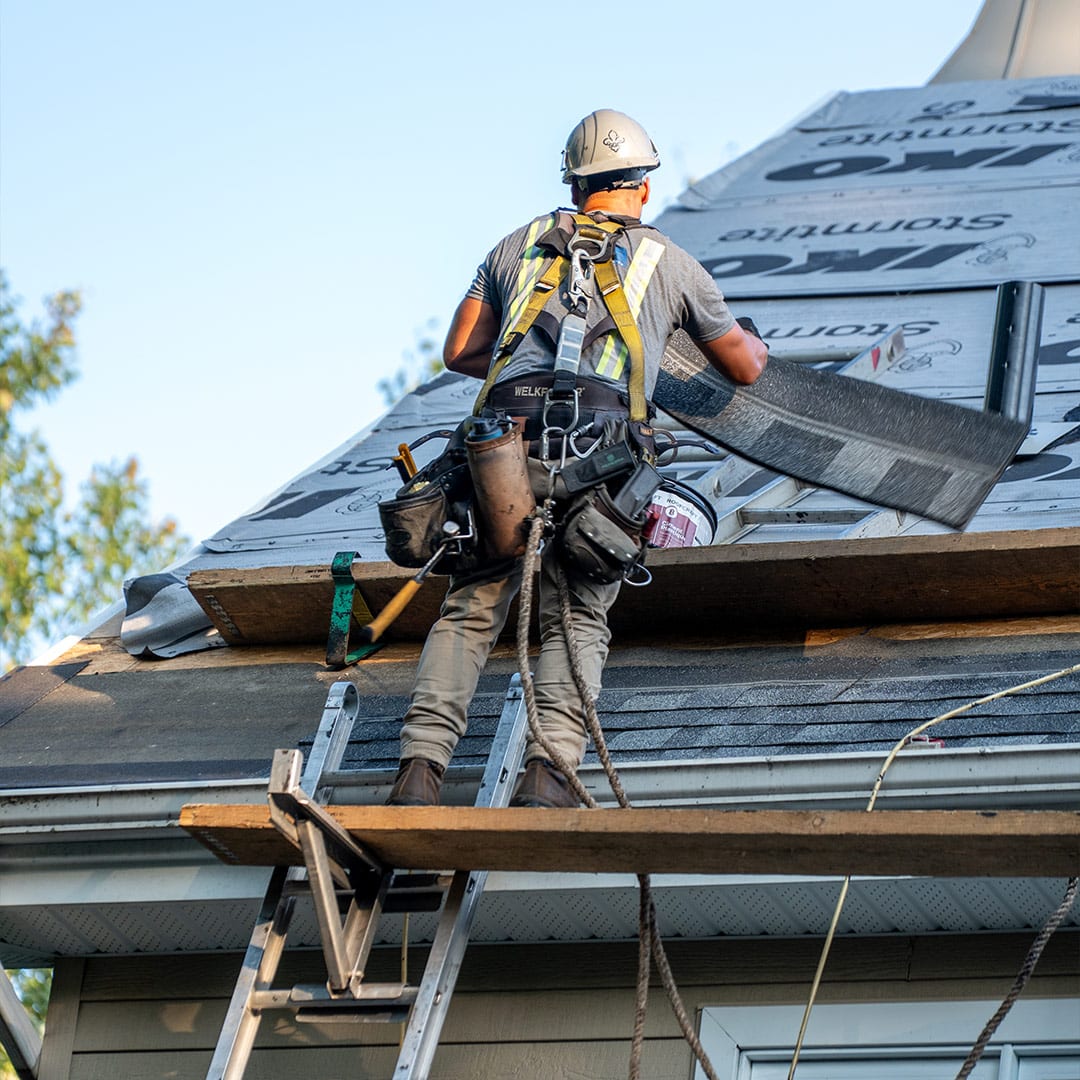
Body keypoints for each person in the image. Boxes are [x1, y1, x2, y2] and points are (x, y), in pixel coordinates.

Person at [386, 108, 767, 808]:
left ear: (573, 180)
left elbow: (463, 351)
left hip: (501, 447)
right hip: (603, 457)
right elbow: (743, 368)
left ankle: (418, 771)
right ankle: (549, 775)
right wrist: (748, 339)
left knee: (470, 609)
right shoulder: (671, 263)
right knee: (578, 612)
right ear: (643, 187)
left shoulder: (514, 248)